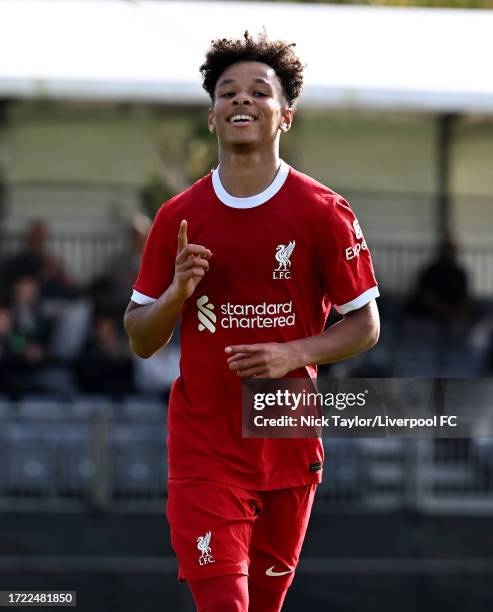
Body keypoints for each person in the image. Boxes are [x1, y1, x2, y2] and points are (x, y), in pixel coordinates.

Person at [124, 32, 380, 612]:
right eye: (227, 91)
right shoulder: (178, 217)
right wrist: (175, 294)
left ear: (285, 115)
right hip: (205, 452)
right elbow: (140, 338)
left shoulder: (322, 212)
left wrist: (294, 353)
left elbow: (364, 324)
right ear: (212, 115)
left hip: (286, 445)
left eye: (258, 92)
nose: (241, 100)